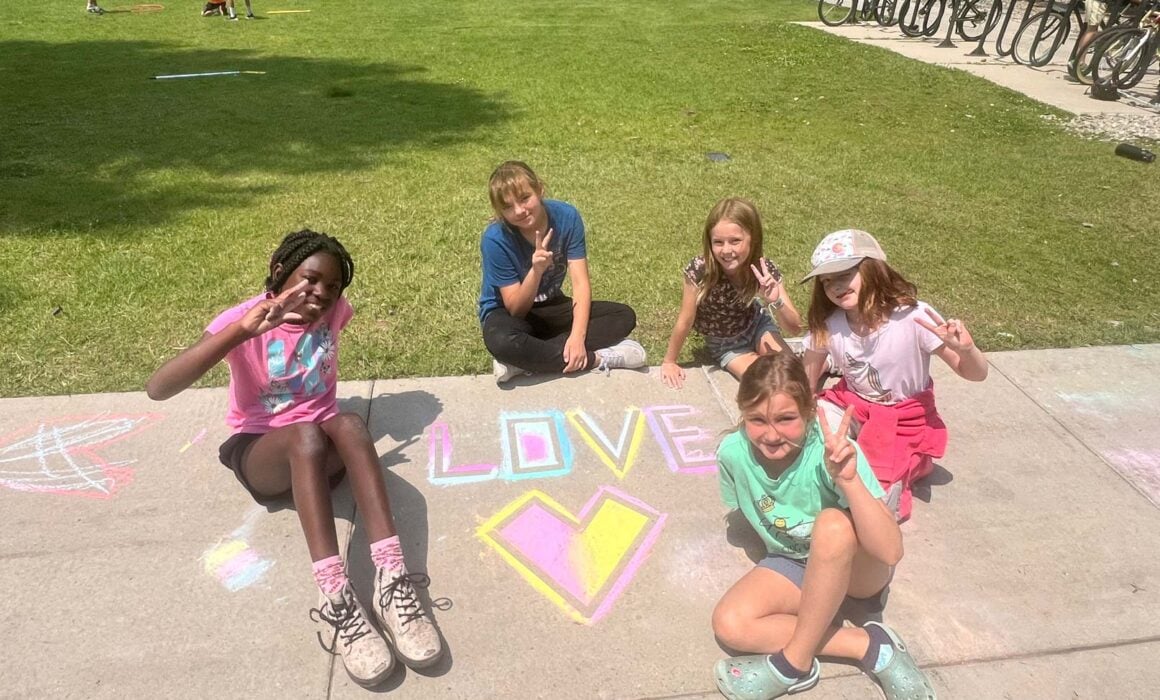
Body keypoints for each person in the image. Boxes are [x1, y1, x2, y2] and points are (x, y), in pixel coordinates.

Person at [146, 230, 442, 688]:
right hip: (264, 453)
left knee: (350, 425)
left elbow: (333, 327)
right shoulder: (244, 320)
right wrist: (241, 331)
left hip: (323, 452)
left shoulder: (335, 314)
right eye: (309, 280)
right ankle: (337, 596)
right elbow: (158, 388)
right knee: (305, 436)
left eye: (332, 286)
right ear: (280, 270)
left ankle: (392, 582)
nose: (320, 294)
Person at [711, 354, 936, 700]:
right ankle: (869, 645)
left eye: (786, 419)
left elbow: (890, 551)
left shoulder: (832, 453)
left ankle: (793, 664)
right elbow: (745, 508)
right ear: (742, 413)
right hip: (795, 562)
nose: (770, 435)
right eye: (757, 420)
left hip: (859, 571)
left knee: (832, 524)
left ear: (809, 412)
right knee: (731, 624)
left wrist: (848, 481)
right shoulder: (733, 453)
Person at [800, 229, 987, 521]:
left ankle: (916, 460)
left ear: (873, 269)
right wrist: (799, 413)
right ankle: (867, 453)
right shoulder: (830, 325)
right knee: (806, 439)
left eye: (844, 274)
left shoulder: (913, 318)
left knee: (879, 503)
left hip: (902, 419)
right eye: (826, 281)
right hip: (852, 405)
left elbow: (975, 374)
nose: (834, 286)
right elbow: (807, 381)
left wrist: (967, 350)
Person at [478, 160, 646, 384]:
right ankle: (595, 359)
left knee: (623, 315)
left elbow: (580, 283)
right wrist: (536, 271)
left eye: (524, 198)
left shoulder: (567, 217)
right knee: (502, 341)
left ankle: (523, 361)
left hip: (551, 306)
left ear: (539, 189)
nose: (519, 210)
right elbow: (516, 309)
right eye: (508, 207)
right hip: (507, 315)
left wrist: (578, 337)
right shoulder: (495, 239)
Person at [660, 197, 802, 390]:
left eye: (735, 241)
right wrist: (670, 360)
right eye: (718, 242)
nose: (726, 250)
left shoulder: (763, 270)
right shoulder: (700, 270)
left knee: (792, 375)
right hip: (726, 344)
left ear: (753, 238)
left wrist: (776, 301)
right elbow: (685, 319)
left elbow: (795, 328)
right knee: (765, 384)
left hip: (757, 326)